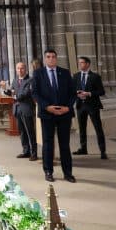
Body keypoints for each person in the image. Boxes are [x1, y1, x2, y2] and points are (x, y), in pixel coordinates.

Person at [31, 48, 77, 183]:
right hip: (47, 113)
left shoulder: (65, 73)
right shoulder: (38, 73)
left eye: (53, 57)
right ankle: (48, 171)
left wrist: (67, 107)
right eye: (48, 57)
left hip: (64, 113)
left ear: (56, 58)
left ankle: (68, 173)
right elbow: (35, 93)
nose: (51, 59)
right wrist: (47, 107)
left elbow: (72, 93)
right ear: (45, 59)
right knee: (48, 144)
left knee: (65, 144)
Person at [72, 56, 107, 159]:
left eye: (82, 63)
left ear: (87, 64)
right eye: (79, 63)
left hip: (92, 105)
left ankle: (102, 151)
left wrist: (89, 93)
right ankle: (83, 148)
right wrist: (77, 94)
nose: (80, 64)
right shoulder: (76, 76)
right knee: (82, 129)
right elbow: (72, 90)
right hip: (80, 105)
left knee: (98, 128)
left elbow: (101, 92)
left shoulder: (95, 77)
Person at [1, 61, 37, 161]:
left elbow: (25, 94)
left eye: (22, 68)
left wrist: (14, 95)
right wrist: (5, 89)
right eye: (18, 68)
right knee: (22, 132)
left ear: (25, 69)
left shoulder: (30, 80)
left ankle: (34, 153)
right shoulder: (15, 80)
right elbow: (11, 93)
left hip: (26, 109)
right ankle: (26, 151)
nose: (20, 70)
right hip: (17, 109)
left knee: (30, 132)